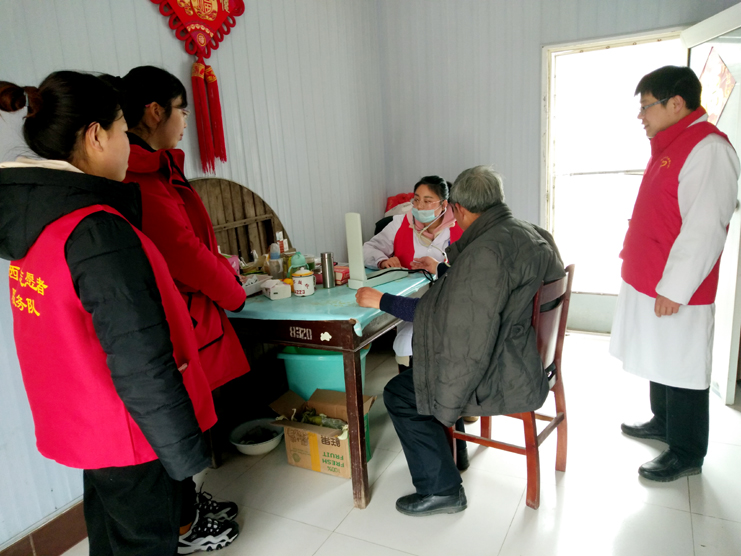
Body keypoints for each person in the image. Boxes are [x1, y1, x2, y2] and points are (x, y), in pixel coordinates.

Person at [0, 72, 226, 555]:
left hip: (86, 420)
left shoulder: (36, 220)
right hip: (129, 428)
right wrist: (182, 450)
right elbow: (138, 355)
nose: (128, 143)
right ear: (96, 135)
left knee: (111, 534)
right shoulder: (97, 231)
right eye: (124, 130)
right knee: (143, 543)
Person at [357, 165, 564, 516]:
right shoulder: (532, 232)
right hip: (525, 354)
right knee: (435, 365)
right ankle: (456, 455)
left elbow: (446, 317)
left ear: (459, 210)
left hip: (504, 367)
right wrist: (442, 271)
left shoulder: (486, 251)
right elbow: (488, 292)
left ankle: (442, 490)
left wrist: (382, 302)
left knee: (403, 391)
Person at [117, 66, 248, 553]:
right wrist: (233, 292)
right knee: (174, 422)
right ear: (155, 112)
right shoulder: (140, 177)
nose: (186, 121)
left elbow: (191, 245)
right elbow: (185, 253)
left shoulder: (155, 169)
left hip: (180, 312)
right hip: (171, 321)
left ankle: (188, 510)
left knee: (179, 421)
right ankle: (186, 525)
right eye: (182, 111)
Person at [611, 66, 740, 482]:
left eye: (646, 106)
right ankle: (663, 422)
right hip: (651, 277)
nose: (641, 116)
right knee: (659, 356)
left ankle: (686, 451)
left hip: (678, 288)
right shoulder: (672, 143)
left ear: (677, 103)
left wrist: (676, 289)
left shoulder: (708, 149)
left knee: (683, 366)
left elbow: (704, 229)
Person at [362, 175, 463, 368]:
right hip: (410, 303)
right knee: (406, 343)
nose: (420, 206)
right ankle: (408, 378)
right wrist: (383, 261)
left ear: (444, 204)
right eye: (416, 200)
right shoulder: (401, 223)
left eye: (427, 201)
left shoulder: (460, 226)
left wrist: (438, 267)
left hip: (451, 303)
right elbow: (368, 249)